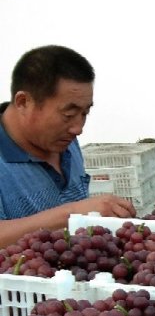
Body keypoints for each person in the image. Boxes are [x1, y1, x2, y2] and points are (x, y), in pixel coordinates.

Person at [0, 45, 136, 248]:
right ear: (23, 102)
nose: (78, 128)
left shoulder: (65, 140)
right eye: (68, 115)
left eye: (84, 113)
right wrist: (73, 214)